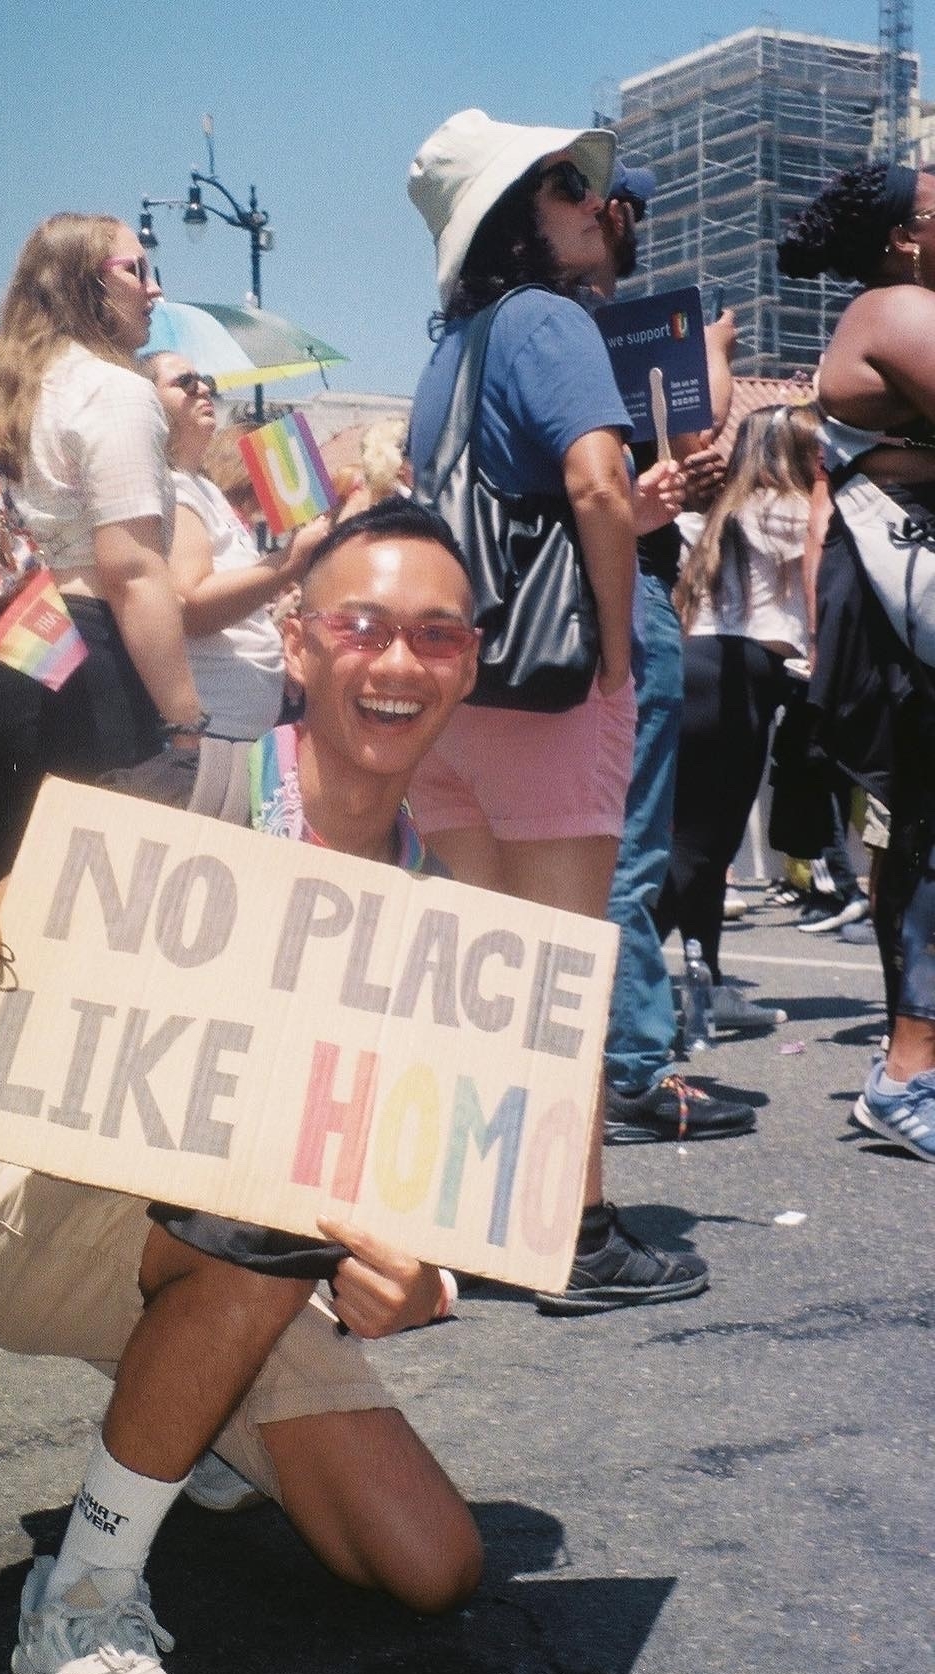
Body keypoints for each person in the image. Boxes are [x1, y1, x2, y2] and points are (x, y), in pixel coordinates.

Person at [0, 503, 485, 1674]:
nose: (397, 662)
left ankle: (185, 1407)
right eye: (362, 626)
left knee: (431, 1567)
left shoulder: (444, 915)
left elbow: (403, 1178)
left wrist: (418, 1278)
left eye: (436, 636)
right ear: (302, 647)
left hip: (228, 1263)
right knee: (263, 1197)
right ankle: (85, 1599)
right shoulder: (182, 784)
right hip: (31, 1216)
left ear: (470, 663)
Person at [404, 110, 708, 1311]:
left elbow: (514, 511)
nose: (598, 202)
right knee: (561, 975)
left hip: (460, 697)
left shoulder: (457, 348)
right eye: (570, 188)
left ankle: (489, 1212)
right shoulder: (554, 324)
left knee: (491, 971)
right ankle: (575, 1232)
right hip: (547, 697)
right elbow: (590, 479)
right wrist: (619, 651)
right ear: (517, 217)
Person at [0, 213, 205, 881]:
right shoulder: (112, 391)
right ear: (85, 285)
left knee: (11, 885)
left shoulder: (2, 397)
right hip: (87, 668)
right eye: (136, 270)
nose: (154, 290)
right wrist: (185, 721)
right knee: (95, 895)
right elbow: (133, 569)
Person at [584, 172, 756, 1145]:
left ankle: (610, 1059)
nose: (636, 224)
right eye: (626, 208)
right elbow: (696, 437)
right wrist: (716, 355)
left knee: (593, 833)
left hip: (576, 592)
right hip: (630, 577)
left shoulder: (525, 326)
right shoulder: (603, 326)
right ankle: (631, 1070)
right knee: (628, 836)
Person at [777, 163, 935, 1159]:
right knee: (923, 828)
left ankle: (910, 1064)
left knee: (918, 826)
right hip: (901, 603)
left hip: (896, 600)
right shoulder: (895, 308)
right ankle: (910, 1069)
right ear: (903, 237)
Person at [654, 406, 822, 1026]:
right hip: (741, 673)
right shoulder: (789, 511)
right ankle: (622, 979)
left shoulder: (718, 514)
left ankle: (707, 982)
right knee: (701, 849)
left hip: (695, 665)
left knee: (701, 842)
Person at [144, 351, 329, 739]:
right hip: (217, 726)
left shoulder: (202, 487)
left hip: (240, 726)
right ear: (147, 402)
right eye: (185, 382)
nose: (205, 388)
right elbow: (193, 605)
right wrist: (289, 562)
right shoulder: (173, 488)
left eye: (205, 378)